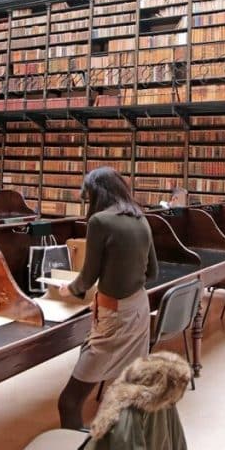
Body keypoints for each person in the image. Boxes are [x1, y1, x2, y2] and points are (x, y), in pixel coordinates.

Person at [58, 166, 159, 430]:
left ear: (97, 193)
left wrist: (69, 289)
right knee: (126, 387)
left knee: (69, 401)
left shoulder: (100, 221)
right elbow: (153, 271)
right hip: (139, 309)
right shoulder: (141, 218)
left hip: (115, 317)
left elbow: (88, 276)